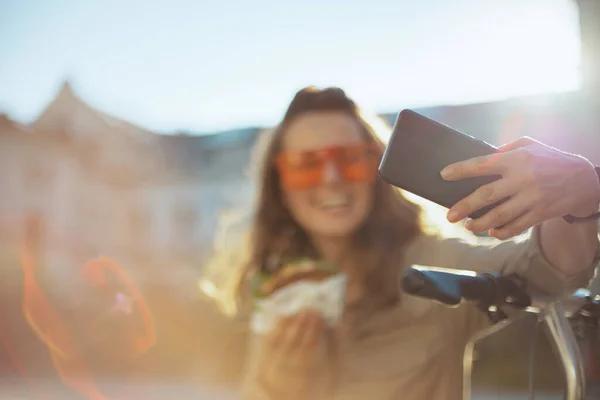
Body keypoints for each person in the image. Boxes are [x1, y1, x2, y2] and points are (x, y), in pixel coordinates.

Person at [202, 86, 600, 400]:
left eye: (351, 158)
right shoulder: (280, 287)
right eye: (307, 164)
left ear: (377, 168)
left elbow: (548, 274)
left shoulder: (432, 260)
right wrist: (280, 385)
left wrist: (581, 197)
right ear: (280, 184)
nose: (331, 178)